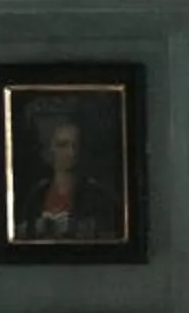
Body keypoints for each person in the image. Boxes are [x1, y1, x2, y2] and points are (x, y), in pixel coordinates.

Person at [14, 102, 126, 243]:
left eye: (75, 145)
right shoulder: (36, 196)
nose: (71, 152)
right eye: (63, 145)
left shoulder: (98, 196)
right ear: (50, 149)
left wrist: (76, 227)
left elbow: (112, 233)